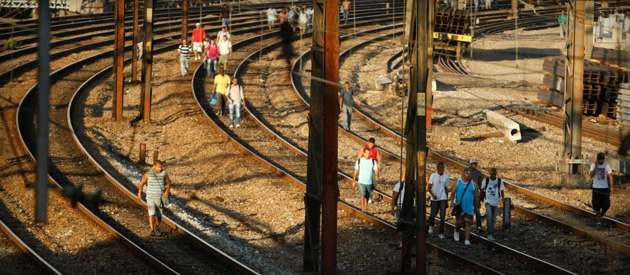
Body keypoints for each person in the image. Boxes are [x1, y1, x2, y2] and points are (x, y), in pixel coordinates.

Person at [137, 160, 171, 235]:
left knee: (159, 214)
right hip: (150, 197)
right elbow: (142, 183)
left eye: (161, 167)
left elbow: (168, 183)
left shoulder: (164, 174)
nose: (160, 169)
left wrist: (166, 192)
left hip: (159, 197)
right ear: (154, 166)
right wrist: (139, 194)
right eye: (158, 167)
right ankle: (152, 230)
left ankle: (157, 227)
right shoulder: (148, 174)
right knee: (151, 213)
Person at [449, 168, 478, 246]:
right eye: (467, 173)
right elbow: (453, 192)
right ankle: (457, 230)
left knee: (468, 223)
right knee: (459, 222)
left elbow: (476, 196)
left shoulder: (473, 184)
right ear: (464, 173)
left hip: (469, 207)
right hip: (460, 206)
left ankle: (467, 239)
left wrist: (476, 206)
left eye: (470, 174)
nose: (468, 175)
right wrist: (452, 202)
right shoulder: (458, 181)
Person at [589, 152, 614, 226]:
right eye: (600, 159)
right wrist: (596, 167)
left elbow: (610, 176)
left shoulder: (607, 166)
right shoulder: (593, 165)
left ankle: (601, 215)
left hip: (605, 188)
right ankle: (598, 221)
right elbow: (591, 175)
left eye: (602, 159)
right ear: (597, 159)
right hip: (596, 188)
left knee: (606, 205)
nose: (601, 161)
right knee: (596, 206)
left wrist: (612, 186)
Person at [480, 168, 504, 241]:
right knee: (489, 216)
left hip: (495, 201)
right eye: (492, 174)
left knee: (493, 218)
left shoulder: (499, 181)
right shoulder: (486, 180)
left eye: (494, 174)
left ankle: (491, 232)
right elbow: (482, 189)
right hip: (488, 201)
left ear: (496, 174)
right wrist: (481, 198)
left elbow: (502, 190)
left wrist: (503, 198)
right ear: (489, 174)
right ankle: (489, 233)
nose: (493, 175)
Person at [353, 148, 380, 212]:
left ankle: (365, 207)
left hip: (369, 182)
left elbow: (376, 170)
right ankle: (363, 207)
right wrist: (353, 181)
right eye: (366, 153)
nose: (368, 155)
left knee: (367, 196)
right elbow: (356, 171)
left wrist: (376, 176)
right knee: (362, 194)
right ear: (363, 153)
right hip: (361, 181)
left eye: (369, 153)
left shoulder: (373, 161)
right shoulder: (359, 161)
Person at [427, 163, 450, 239]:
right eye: (440, 167)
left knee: (443, 216)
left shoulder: (446, 177)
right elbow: (429, 187)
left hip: (443, 197)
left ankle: (441, 232)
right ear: (437, 168)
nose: (442, 169)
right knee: (433, 213)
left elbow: (446, 188)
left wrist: (447, 199)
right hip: (435, 198)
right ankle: (431, 225)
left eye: (443, 167)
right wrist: (432, 194)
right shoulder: (433, 176)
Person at [468, 158, 484, 233]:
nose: (474, 165)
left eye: (475, 164)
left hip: (476, 193)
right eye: (472, 164)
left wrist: (481, 195)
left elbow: (481, 185)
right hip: (467, 193)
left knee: (477, 210)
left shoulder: (479, 173)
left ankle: (479, 226)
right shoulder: (466, 171)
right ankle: (466, 225)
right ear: (470, 164)